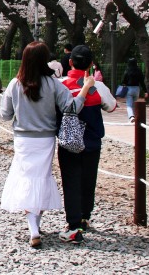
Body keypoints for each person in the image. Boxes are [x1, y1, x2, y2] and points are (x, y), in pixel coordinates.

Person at [0, 42, 89, 248]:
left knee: (26, 179)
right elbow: (71, 107)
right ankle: (35, 226)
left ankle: (33, 228)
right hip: (46, 139)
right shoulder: (53, 84)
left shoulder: (15, 84)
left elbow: (5, 114)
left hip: (23, 139)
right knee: (40, 179)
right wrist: (84, 89)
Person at [57, 45, 117, 244]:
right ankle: (85, 216)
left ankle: (73, 224)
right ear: (91, 64)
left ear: (70, 62)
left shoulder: (61, 85)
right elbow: (111, 106)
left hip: (68, 141)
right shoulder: (98, 87)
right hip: (91, 141)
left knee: (70, 180)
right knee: (88, 179)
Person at [121, 58, 148, 122]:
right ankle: (135, 117)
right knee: (134, 104)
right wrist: (145, 91)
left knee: (129, 105)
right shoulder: (139, 71)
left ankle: (131, 116)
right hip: (136, 89)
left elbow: (123, 81)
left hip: (129, 89)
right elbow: (142, 82)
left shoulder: (127, 71)